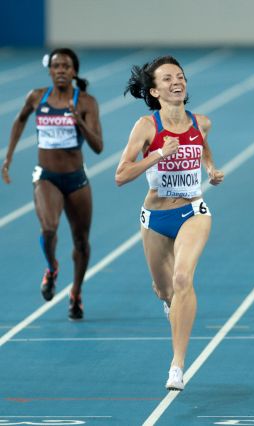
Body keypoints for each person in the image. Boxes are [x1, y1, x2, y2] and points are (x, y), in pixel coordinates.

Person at [115, 55, 224, 391]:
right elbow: (121, 175)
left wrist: (211, 169)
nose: (177, 82)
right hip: (155, 217)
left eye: (180, 76)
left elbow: (203, 146)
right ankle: (169, 304)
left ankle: (177, 365)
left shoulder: (201, 121)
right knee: (165, 290)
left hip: (193, 211)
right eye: (167, 79)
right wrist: (160, 154)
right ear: (154, 90)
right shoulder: (147, 127)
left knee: (182, 278)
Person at [1, 48, 103, 320]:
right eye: (56, 65)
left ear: (74, 71)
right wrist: (8, 156)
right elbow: (20, 119)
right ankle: (52, 267)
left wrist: (78, 120)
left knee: (81, 242)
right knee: (49, 229)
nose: (60, 70)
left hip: (76, 179)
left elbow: (98, 147)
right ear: (49, 70)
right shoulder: (36, 97)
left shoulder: (87, 102)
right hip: (46, 177)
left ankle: (76, 293)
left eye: (66, 66)